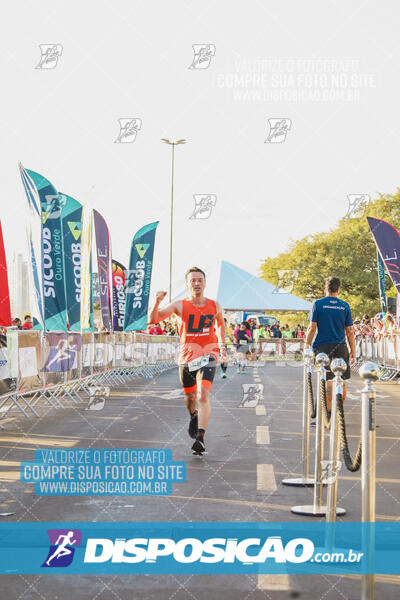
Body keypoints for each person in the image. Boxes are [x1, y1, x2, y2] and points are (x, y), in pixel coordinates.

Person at [148, 267, 226, 454]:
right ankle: (193, 415)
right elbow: (154, 320)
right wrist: (157, 302)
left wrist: (222, 346)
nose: (197, 283)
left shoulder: (215, 306)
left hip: (208, 354)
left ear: (205, 283)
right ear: (188, 284)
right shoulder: (179, 305)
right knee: (191, 397)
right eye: (193, 280)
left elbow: (221, 325)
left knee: (203, 395)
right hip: (187, 357)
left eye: (200, 280)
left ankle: (200, 437)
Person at [305, 276, 355, 411]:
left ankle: (328, 414)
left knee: (327, 381)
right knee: (341, 380)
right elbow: (350, 331)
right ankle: (339, 414)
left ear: (325, 288)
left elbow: (312, 328)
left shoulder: (318, 304)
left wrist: (306, 346)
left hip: (322, 347)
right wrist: (353, 350)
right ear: (338, 289)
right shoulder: (344, 305)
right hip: (340, 346)